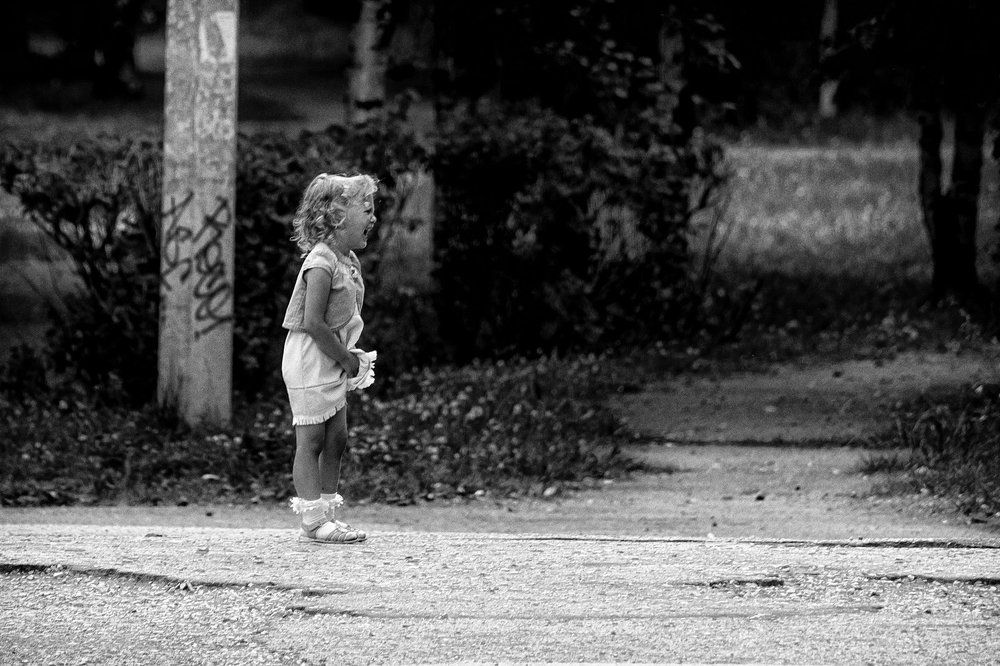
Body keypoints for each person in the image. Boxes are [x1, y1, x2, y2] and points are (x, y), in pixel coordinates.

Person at [281, 173, 379, 544]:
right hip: (311, 357)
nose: (373, 218)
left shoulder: (346, 258)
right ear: (336, 216)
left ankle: (327, 513)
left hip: (330, 354)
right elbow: (313, 323)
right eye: (366, 210)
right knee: (312, 440)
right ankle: (312, 519)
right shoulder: (321, 262)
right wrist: (348, 361)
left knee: (337, 438)